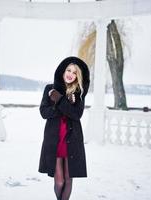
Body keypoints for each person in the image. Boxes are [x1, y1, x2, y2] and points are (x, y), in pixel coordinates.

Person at [38, 56, 90, 200]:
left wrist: (60, 100)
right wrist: (63, 103)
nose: (70, 74)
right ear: (63, 70)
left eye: (74, 72)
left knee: (68, 180)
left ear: (77, 76)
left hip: (72, 141)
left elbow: (76, 114)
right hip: (54, 141)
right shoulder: (50, 89)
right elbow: (44, 112)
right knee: (59, 182)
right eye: (68, 70)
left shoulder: (78, 93)